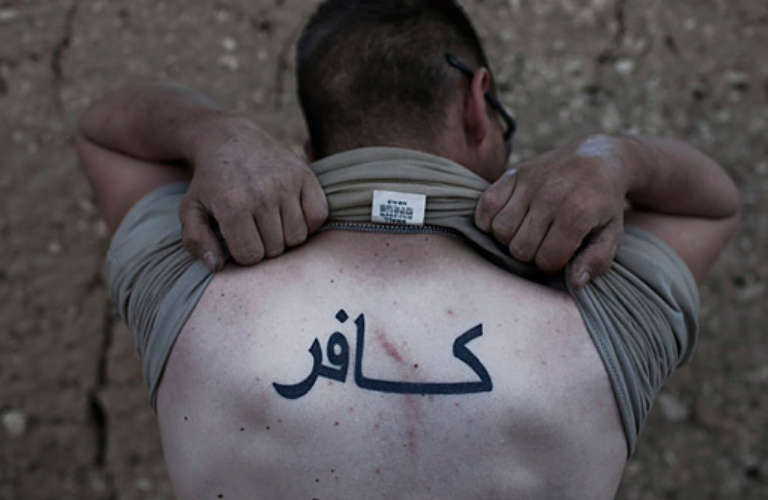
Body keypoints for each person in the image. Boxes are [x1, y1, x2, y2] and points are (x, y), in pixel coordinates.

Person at [76, 1, 740, 499]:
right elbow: (709, 204)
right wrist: (614, 160)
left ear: (310, 150)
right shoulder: (607, 303)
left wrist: (213, 134)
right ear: (478, 107)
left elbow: (107, 137)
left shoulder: (193, 273)